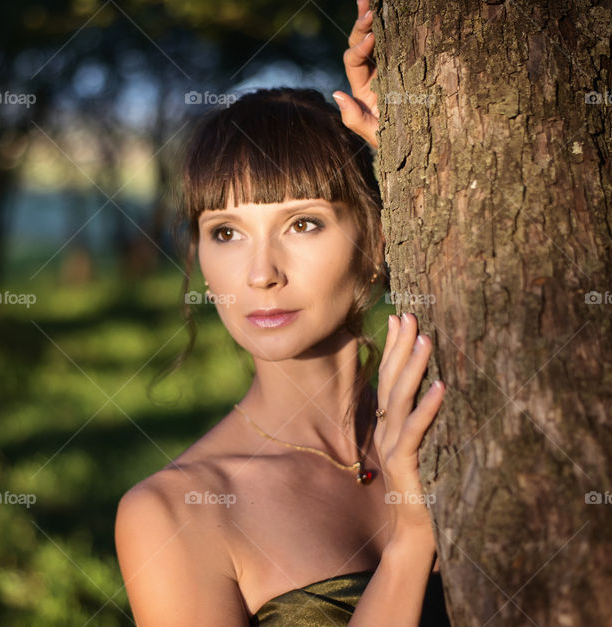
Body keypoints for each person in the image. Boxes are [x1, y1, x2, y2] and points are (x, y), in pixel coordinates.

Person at [114, 0, 452, 623]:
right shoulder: (174, 511)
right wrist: (412, 540)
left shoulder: (448, 416)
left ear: (379, 237)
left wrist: (432, 153)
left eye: (302, 223)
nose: (261, 273)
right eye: (226, 233)